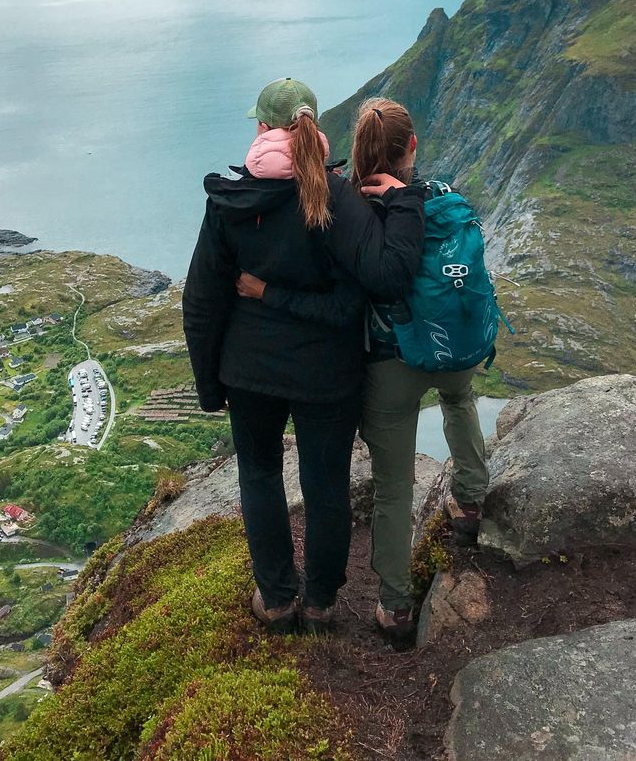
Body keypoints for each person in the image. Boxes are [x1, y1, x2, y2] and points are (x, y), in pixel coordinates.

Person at [182, 77, 425, 636]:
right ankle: (319, 603)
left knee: (261, 476)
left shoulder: (231, 201)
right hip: (327, 375)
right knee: (325, 484)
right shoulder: (339, 197)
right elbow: (381, 282)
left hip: (250, 373)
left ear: (264, 128)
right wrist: (401, 203)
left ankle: (276, 599)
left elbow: (201, 300)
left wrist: (210, 384)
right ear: (312, 126)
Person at [351, 97, 490, 647]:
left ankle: (394, 605)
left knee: (392, 489)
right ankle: (471, 500)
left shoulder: (359, 208)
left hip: (393, 361)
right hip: (455, 349)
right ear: (412, 147)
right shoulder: (446, 198)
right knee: (460, 403)